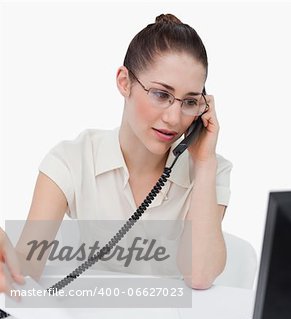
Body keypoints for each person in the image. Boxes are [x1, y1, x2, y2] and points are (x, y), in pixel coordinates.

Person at [0, 13, 232, 294]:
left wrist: (204, 162)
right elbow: (25, 272)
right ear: (124, 82)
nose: (173, 117)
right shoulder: (71, 161)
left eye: (190, 101)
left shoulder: (211, 169)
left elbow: (200, 277)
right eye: (161, 94)